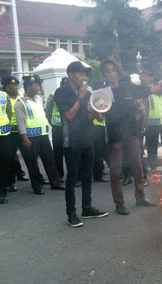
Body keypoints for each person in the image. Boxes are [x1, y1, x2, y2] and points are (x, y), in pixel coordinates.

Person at [54, 61, 108, 228]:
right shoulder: (61, 92)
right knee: (72, 177)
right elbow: (69, 116)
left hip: (87, 139)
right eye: (81, 74)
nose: (85, 78)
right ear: (72, 75)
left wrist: (96, 112)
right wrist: (80, 97)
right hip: (72, 141)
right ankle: (71, 213)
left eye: (85, 75)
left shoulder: (87, 93)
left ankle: (87, 208)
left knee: (87, 175)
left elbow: (91, 117)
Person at [100, 58, 156, 216]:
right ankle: (119, 203)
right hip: (114, 135)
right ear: (104, 74)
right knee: (116, 170)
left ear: (118, 71)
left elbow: (146, 91)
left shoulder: (128, 87)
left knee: (137, 166)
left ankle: (140, 197)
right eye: (107, 71)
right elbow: (97, 112)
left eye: (113, 70)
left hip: (131, 132)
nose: (110, 74)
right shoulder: (103, 92)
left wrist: (140, 81)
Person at [14, 75, 64, 195]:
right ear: (27, 86)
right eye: (35, 85)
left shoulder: (38, 99)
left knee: (49, 160)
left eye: (37, 85)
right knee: (32, 163)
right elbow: (20, 121)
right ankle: (37, 186)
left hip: (43, 135)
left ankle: (55, 183)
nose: (37, 87)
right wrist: (24, 137)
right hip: (30, 137)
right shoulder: (20, 103)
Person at [2, 75, 29, 193]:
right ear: (7, 86)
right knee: (10, 158)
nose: (16, 87)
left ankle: (22, 174)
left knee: (28, 154)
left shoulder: (21, 97)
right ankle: (10, 182)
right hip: (9, 132)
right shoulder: (3, 97)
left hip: (21, 131)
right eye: (13, 85)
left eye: (17, 85)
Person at [145, 81, 162, 171]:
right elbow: (145, 109)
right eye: (156, 85)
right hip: (152, 124)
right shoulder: (149, 96)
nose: (158, 87)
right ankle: (153, 165)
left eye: (159, 85)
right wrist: (145, 123)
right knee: (153, 145)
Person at [0, 72, 12, 204]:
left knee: (3, 165)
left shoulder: (3, 96)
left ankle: (1, 192)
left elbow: (8, 113)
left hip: (3, 135)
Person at [46, 77, 68, 181]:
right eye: (63, 84)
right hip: (57, 127)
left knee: (70, 152)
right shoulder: (53, 94)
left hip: (69, 127)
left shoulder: (72, 93)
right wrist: (53, 123)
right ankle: (59, 175)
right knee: (57, 153)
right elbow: (48, 111)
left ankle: (74, 175)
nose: (65, 86)